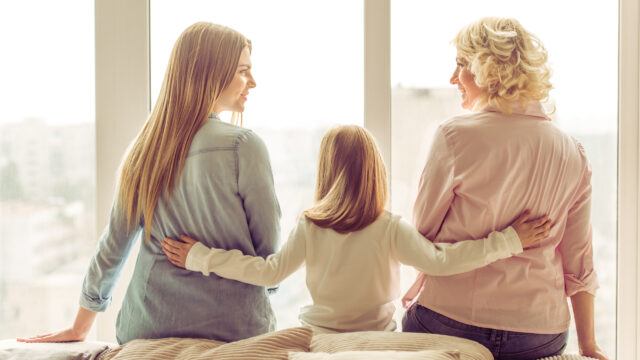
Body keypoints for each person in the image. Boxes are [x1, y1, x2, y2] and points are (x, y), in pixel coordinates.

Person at [18, 22, 281, 344]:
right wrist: (267, 286)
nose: (252, 82)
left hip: (148, 328)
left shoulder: (144, 151)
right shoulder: (245, 146)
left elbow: (113, 245)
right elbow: (268, 256)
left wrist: (80, 327)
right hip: (235, 330)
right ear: (210, 73)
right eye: (243, 71)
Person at [161, 125, 550, 334]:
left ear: (327, 173)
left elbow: (268, 272)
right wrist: (511, 239)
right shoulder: (389, 228)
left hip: (318, 338)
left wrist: (200, 256)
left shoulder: (310, 225)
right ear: (374, 173)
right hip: (378, 340)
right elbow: (443, 261)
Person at [400, 17, 607, 360]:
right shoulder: (573, 151)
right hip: (540, 335)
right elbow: (579, 261)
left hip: (449, 321)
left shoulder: (453, 136)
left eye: (461, 65)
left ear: (487, 68)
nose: (453, 78)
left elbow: (423, 234)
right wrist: (589, 345)